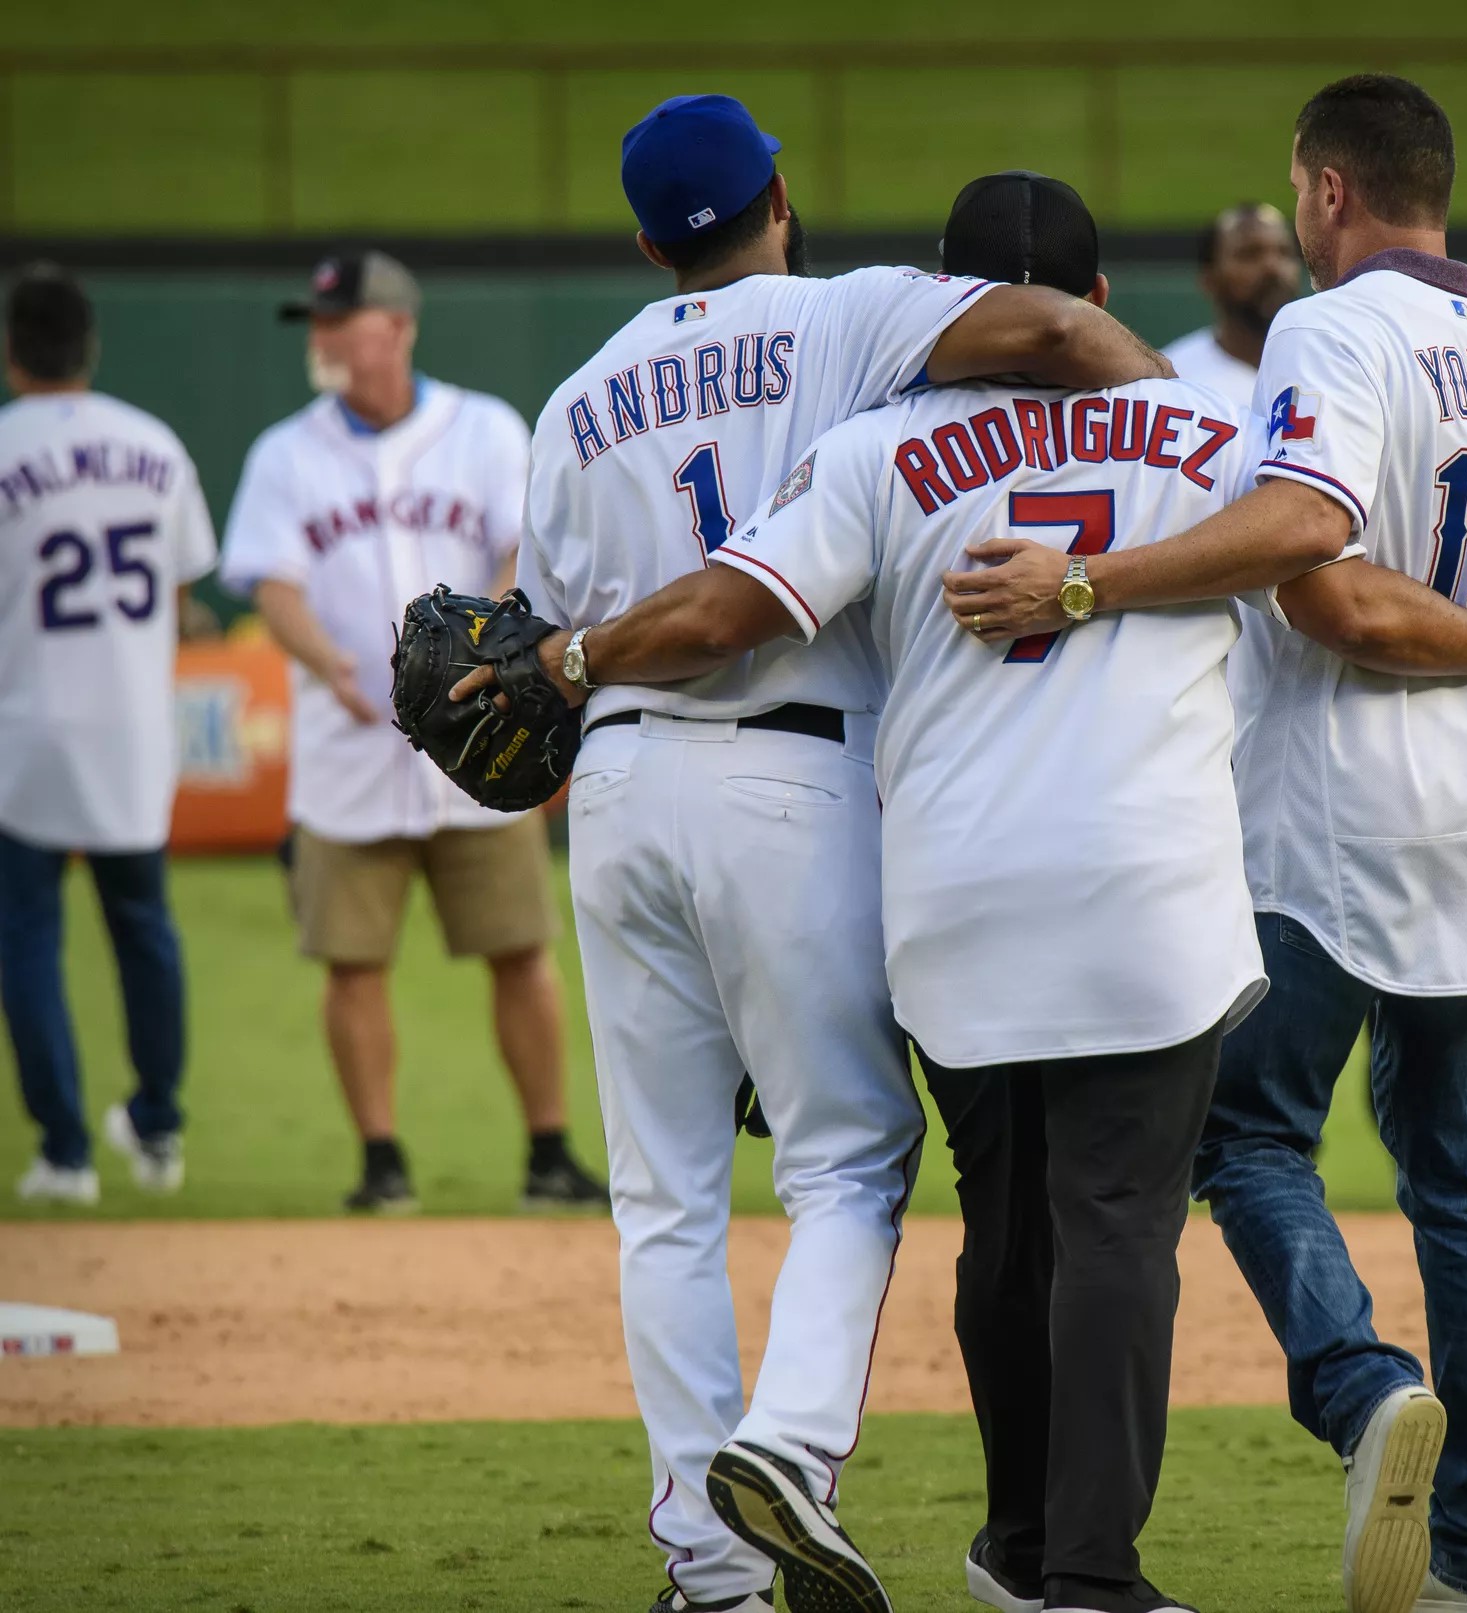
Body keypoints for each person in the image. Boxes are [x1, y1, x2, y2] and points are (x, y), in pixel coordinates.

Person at [469, 165, 1467, 1613]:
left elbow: (737, 605)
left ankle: (985, 1543)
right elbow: (1322, 567)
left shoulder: (869, 446)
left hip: (950, 890)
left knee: (1001, 1216)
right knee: (1119, 1223)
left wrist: (571, 659)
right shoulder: (1215, 433)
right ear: (1100, 302)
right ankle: (1089, 1575)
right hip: (1153, 891)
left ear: (949, 297)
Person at [940, 76, 1467, 1613]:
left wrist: (1090, 581)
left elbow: (1320, 567)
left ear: (1324, 193)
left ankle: (1362, 1387)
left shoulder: (1329, 330)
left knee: (1243, 1131)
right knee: (1465, 1178)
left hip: (1336, 799)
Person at [513, 103, 1180, 1613]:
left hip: (616, 786)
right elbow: (1063, 336)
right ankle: (791, 1458)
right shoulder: (848, 314)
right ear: (780, 199)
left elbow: (546, 635)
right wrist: (1178, 428)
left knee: (665, 1196)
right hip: (796, 777)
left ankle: (709, 1567)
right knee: (845, 1161)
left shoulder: (573, 400)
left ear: (641, 241)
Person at [217, 250, 604, 1215]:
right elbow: (269, 578)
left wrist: (509, 643)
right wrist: (326, 663)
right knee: (353, 961)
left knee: (519, 947)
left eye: (337, 321)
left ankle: (549, 1153)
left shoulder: (481, 429)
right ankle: (381, 1160)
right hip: (347, 751)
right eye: (315, 323)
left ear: (394, 327)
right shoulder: (285, 452)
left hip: (483, 743)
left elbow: (525, 548)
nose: (321, 339)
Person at [0, 266, 217, 1206]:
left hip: (26, 729)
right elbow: (182, 594)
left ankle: (65, 1152)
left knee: (28, 943)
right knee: (144, 929)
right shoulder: (155, 445)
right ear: (90, 346)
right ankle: (159, 1128)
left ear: (13, 353)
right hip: (133, 724)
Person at [1161, 201, 1301, 416]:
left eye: (1284, 252)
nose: (1272, 267)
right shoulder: (1173, 379)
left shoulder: (1329, 364)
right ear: (1209, 278)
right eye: (1249, 254)